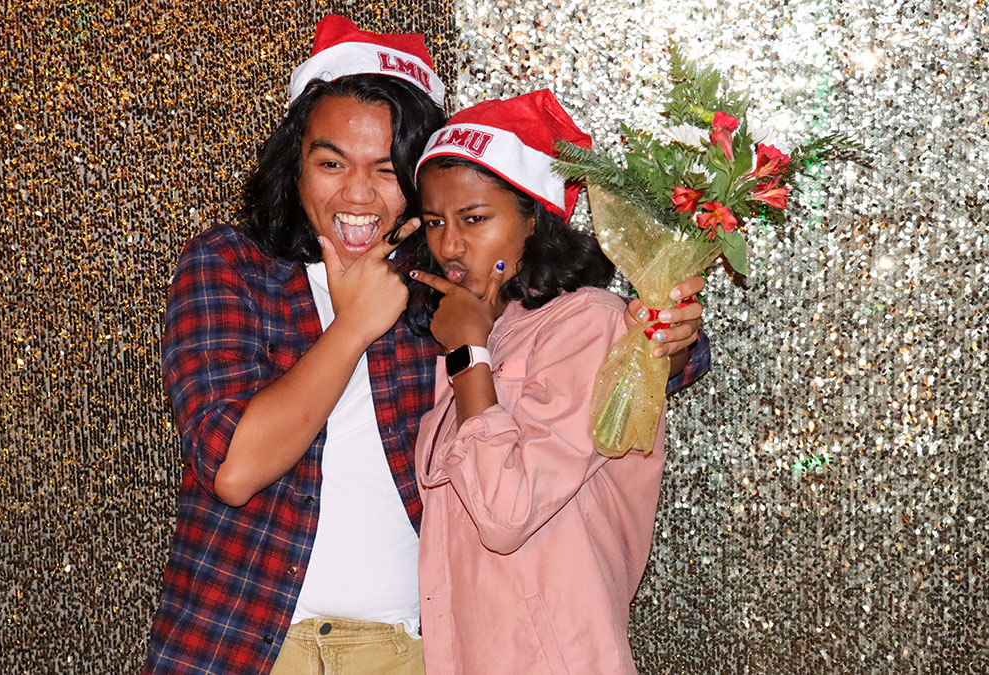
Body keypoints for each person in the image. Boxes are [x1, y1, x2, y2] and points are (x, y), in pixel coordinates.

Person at [146, 15, 708, 675]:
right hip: (244, 642)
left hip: (411, 649)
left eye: (386, 169)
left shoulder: (443, 291)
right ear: (294, 167)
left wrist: (670, 340)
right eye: (331, 162)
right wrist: (354, 324)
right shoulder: (234, 267)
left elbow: (579, 349)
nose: (356, 193)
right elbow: (234, 469)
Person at [406, 89, 689, 674]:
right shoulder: (479, 325)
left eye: (475, 218)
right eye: (435, 221)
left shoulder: (588, 322)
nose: (449, 244)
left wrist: (467, 354)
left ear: (533, 218)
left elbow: (506, 514)